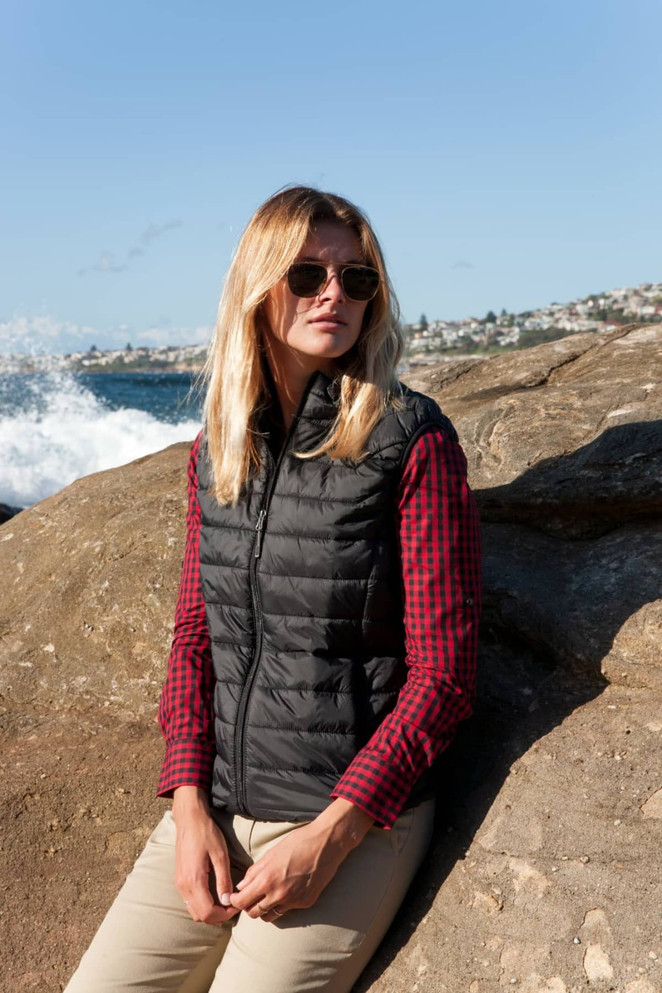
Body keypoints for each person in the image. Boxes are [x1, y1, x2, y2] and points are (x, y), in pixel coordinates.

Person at [63, 186, 482, 993]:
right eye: (308, 273)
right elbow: (196, 637)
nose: (335, 293)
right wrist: (189, 806)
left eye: (357, 279)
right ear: (259, 285)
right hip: (217, 807)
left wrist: (331, 835)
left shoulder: (411, 440)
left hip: (353, 821)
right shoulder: (217, 447)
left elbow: (445, 677)